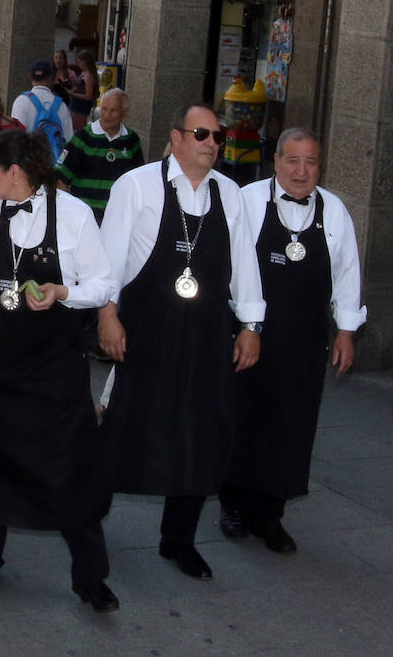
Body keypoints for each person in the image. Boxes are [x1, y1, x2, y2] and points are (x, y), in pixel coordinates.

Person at [0, 129, 119, 611]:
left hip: (51, 371)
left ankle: (91, 578)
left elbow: (101, 282)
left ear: (15, 172)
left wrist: (62, 293)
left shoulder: (74, 215)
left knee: (69, 468)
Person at [98, 103, 265, 581]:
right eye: (201, 133)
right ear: (175, 138)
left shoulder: (230, 195)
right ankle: (87, 525)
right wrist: (108, 316)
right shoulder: (137, 186)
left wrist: (251, 326)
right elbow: (109, 259)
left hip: (209, 334)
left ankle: (179, 542)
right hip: (146, 332)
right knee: (123, 428)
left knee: (199, 435)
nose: (212, 142)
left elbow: (246, 268)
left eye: (217, 135)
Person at [220, 128, 365, 553]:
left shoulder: (335, 212)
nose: (302, 171)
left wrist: (346, 331)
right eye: (293, 161)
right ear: (276, 162)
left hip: (304, 339)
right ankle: (233, 505)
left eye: (311, 162)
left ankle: (271, 515)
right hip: (248, 334)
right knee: (241, 418)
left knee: (292, 425)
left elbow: (348, 275)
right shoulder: (246, 201)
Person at [55, 88, 143, 222]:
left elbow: (138, 181)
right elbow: (60, 177)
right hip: (85, 217)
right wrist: (69, 211)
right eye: (104, 109)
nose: (107, 114)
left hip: (118, 217)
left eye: (113, 110)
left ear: (125, 112)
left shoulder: (131, 140)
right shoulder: (82, 138)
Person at [10, 59, 73, 161]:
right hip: (53, 166)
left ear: (30, 77)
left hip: (29, 166)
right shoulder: (61, 105)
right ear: (52, 78)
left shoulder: (21, 101)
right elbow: (69, 142)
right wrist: (59, 165)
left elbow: (16, 138)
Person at [67, 50, 100, 132]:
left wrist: (73, 93)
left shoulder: (88, 76)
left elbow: (88, 96)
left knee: (78, 130)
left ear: (86, 62)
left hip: (81, 107)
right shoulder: (84, 73)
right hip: (76, 105)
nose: (78, 64)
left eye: (80, 62)